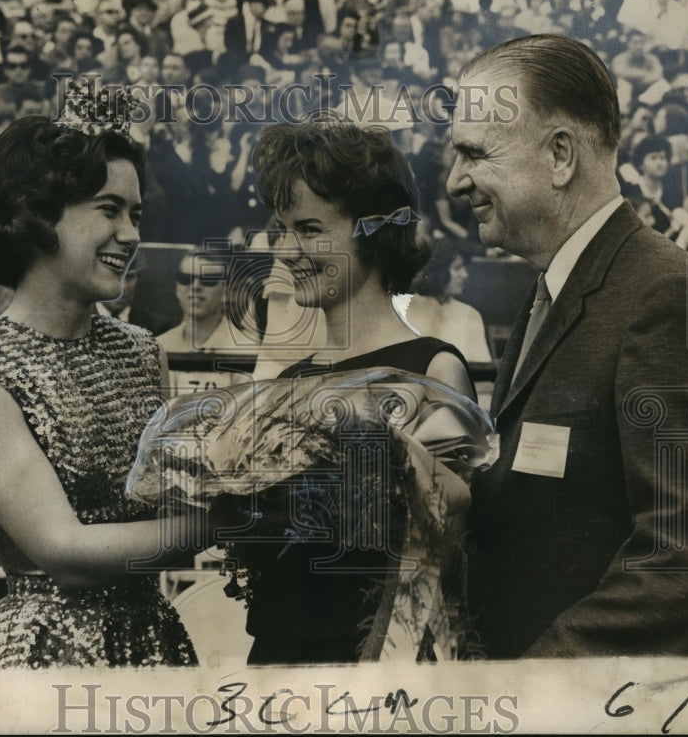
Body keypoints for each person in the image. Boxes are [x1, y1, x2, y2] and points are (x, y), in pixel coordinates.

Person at [447, 34, 688, 658]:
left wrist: (535, 685)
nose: (455, 181)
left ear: (560, 155)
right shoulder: (552, 291)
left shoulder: (666, 295)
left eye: (474, 153)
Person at [0, 114, 197, 669]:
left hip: (154, 648)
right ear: (38, 215)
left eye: (137, 214)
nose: (132, 234)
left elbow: (166, 504)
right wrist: (227, 524)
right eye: (109, 209)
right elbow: (65, 552)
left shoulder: (143, 352)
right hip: (42, 659)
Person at [216, 116, 478, 665]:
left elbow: (448, 551)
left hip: (373, 669)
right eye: (282, 229)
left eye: (309, 229)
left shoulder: (431, 369)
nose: (286, 251)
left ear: (374, 232)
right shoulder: (288, 382)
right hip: (275, 664)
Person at [156, 249, 259, 395]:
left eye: (208, 280)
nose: (195, 287)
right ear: (177, 288)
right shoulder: (159, 346)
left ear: (226, 291)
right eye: (186, 278)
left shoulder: (247, 351)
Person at [398, 240, 493, 364]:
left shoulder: (469, 314)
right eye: (457, 268)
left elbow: (481, 371)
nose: (465, 275)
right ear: (438, 271)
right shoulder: (403, 310)